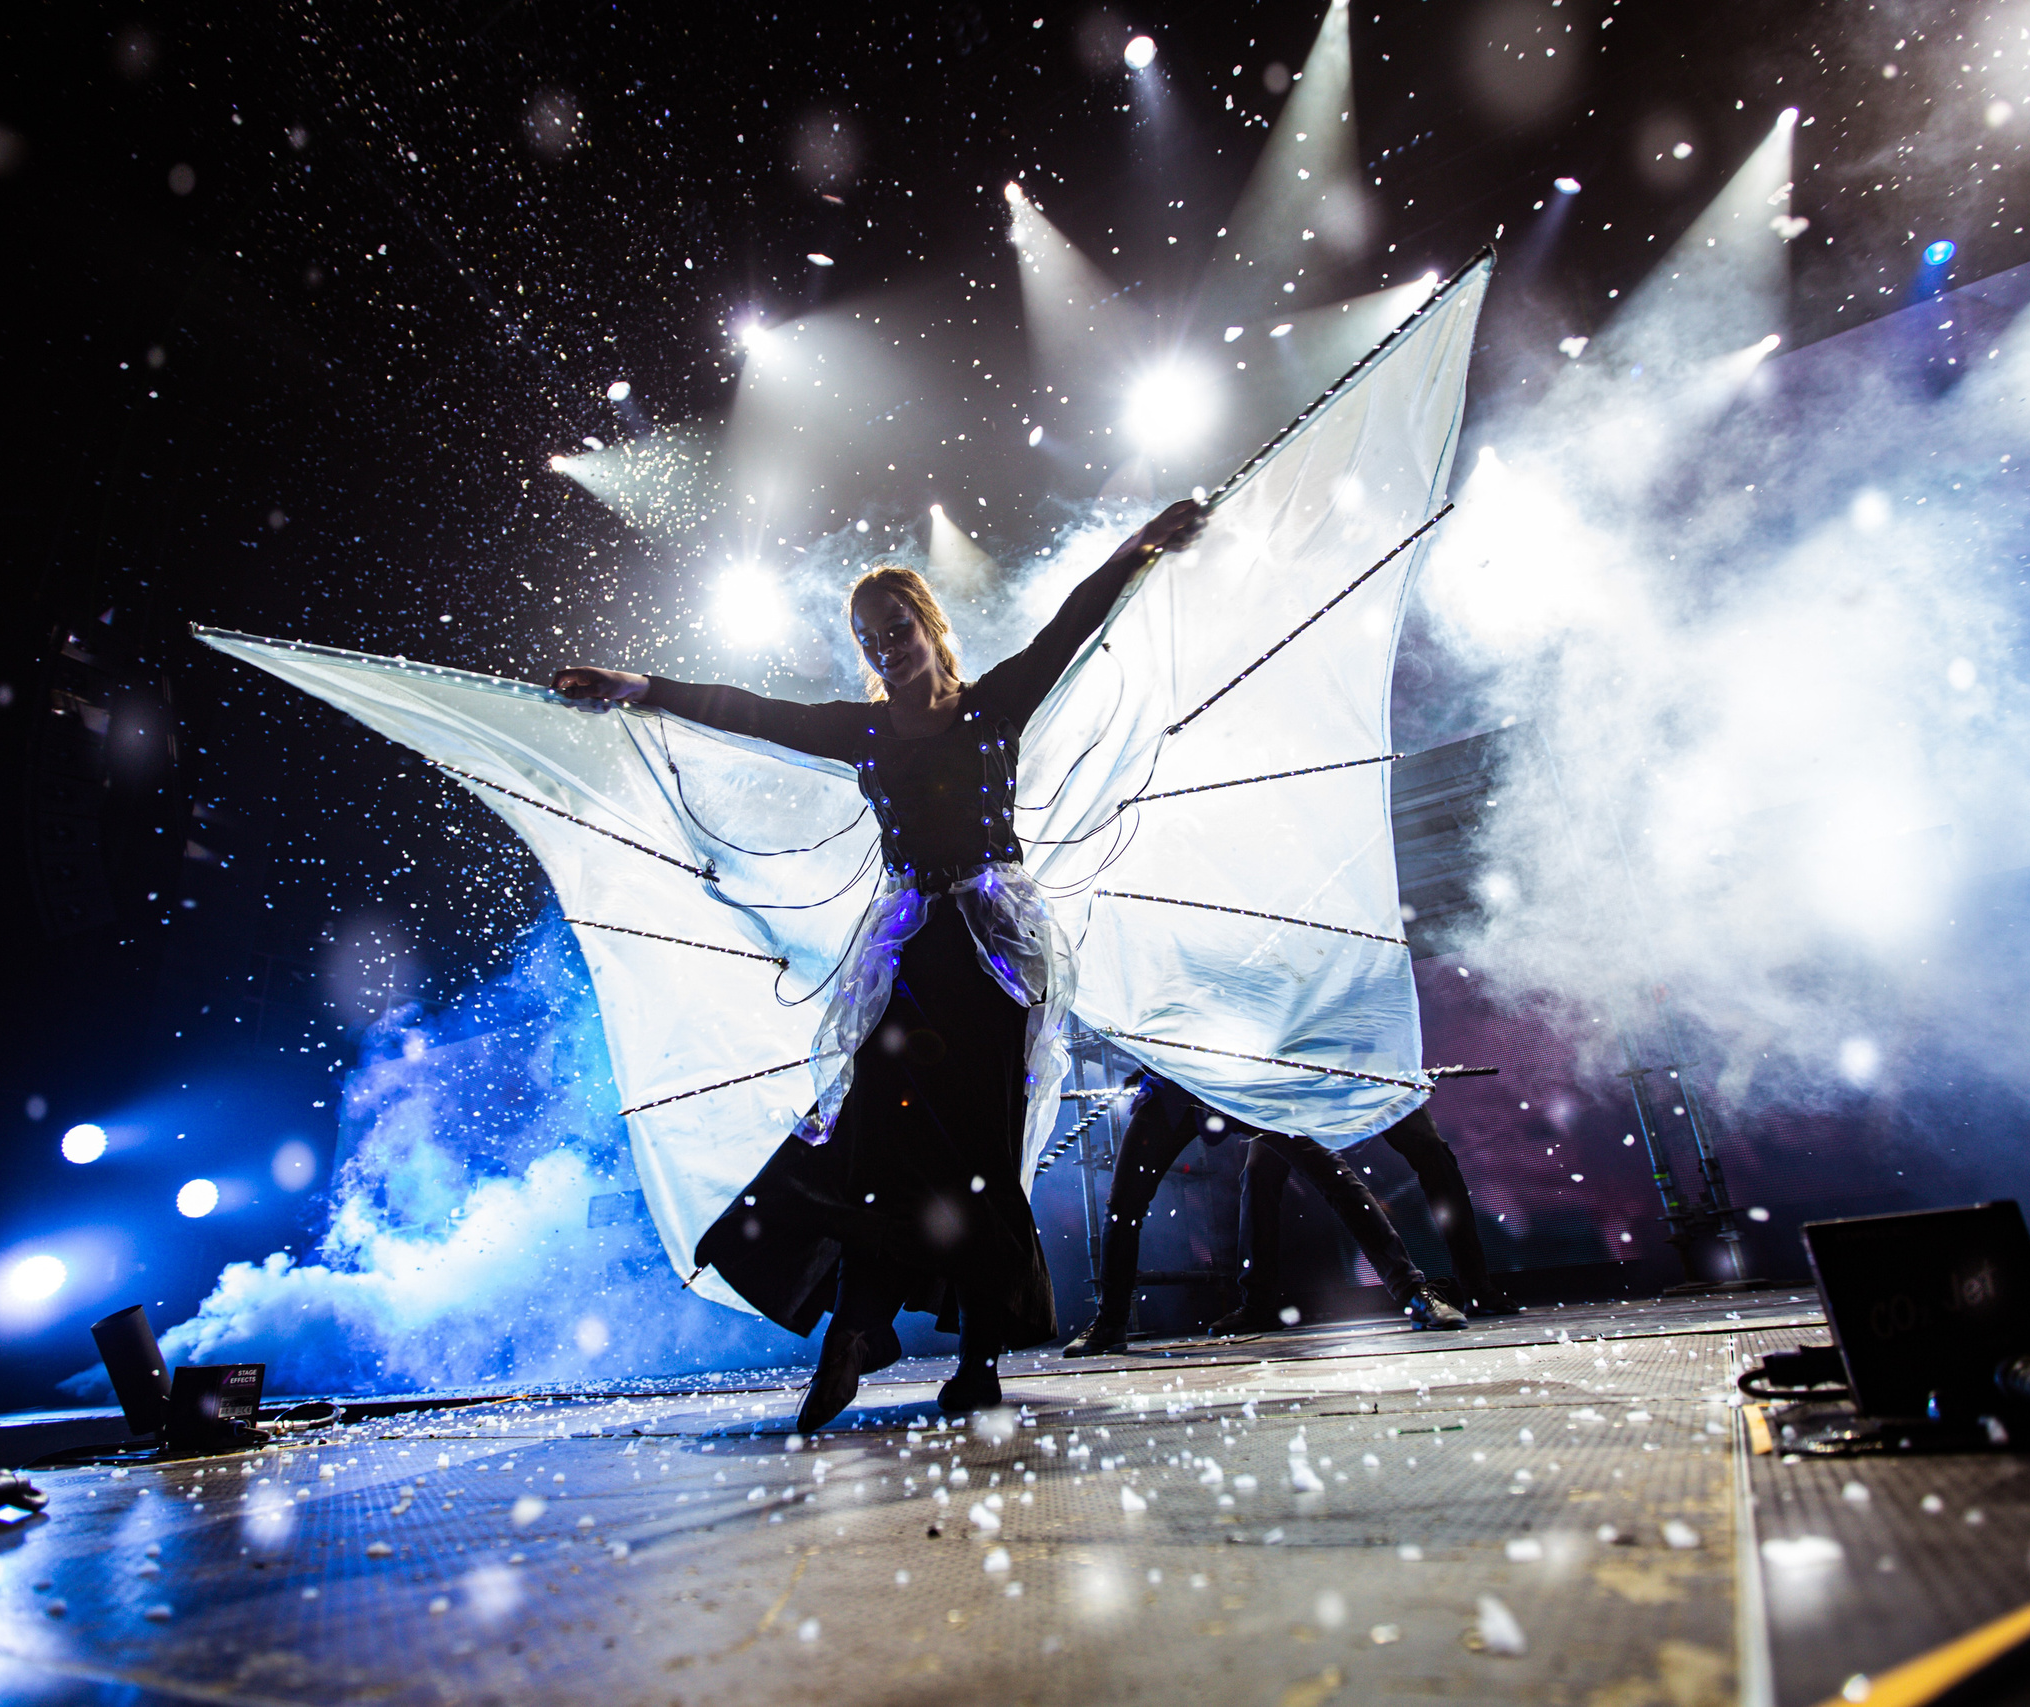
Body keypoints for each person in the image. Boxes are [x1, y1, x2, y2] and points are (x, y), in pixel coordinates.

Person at [550, 499, 1206, 1430]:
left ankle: (975, 1362)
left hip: (994, 962)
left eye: (897, 629)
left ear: (931, 627)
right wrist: (638, 684)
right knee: (873, 1138)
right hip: (910, 957)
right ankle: (855, 1331)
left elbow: (1073, 621)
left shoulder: (994, 704)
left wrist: (1139, 548)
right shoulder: (864, 735)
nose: (886, 648)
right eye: (869, 639)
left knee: (981, 1155)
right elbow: (747, 712)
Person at [1062, 1072, 1466, 1357]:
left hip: (1249, 1081)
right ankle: (1110, 1323)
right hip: (1175, 1085)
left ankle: (1415, 1293)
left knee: (1334, 1178)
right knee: (1124, 1204)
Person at [1225, 1104, 1519, 1331]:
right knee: (1260, 1172)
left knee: (1429, 1148)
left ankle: (1477, 1288)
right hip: (1294, 1079)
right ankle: (1257, 1305)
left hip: (1369, 1066)